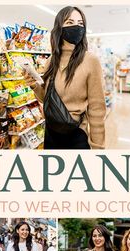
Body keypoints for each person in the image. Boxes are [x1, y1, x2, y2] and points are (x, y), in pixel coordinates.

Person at [23, 6, 106, 150]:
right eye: (70, 22)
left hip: (76, 135)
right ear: (59, 28)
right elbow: (48, 99)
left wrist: (98, 148)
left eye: (80, 23)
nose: (76, 27)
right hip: (51, 133)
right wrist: (34, 86)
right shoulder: (51, 61)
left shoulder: (90, 61)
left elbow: (97, 109)